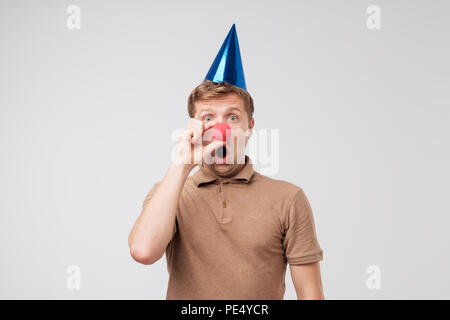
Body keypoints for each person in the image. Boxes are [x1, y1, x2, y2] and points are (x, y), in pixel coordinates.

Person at [128, 24, 324, 300]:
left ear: (249, 127)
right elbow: (143, 252)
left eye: (232, 117)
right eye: (208, 117)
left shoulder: (288, 198)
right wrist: (182, 165)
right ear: (194, 126)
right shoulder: (169, 193)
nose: (221, 128)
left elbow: (311, 293)